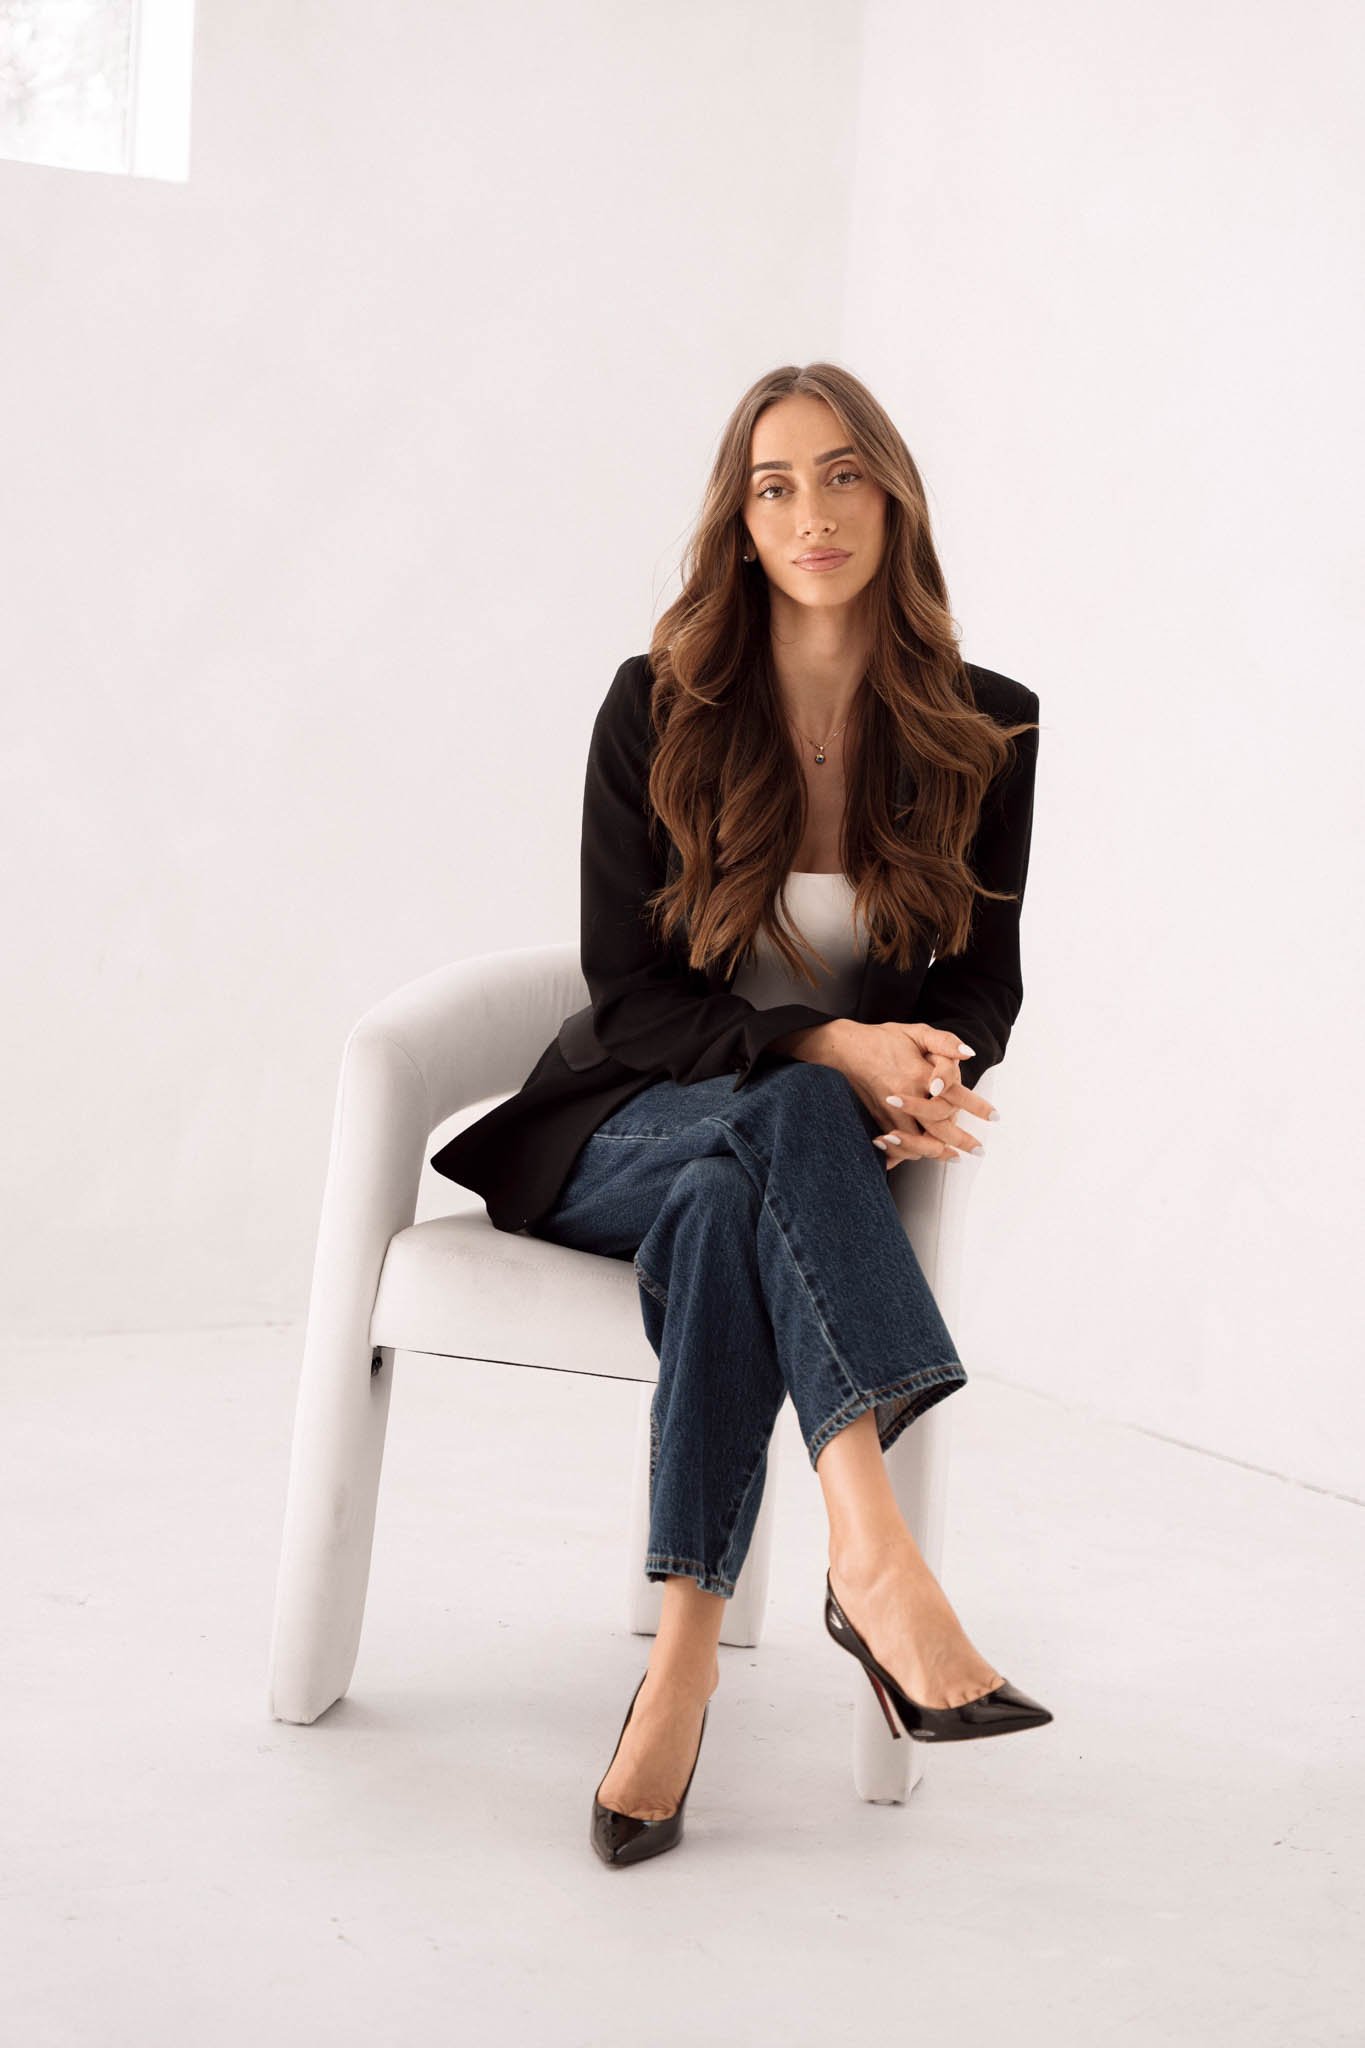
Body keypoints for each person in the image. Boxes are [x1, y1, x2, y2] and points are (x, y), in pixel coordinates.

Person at [430, 362, 1052, 1867]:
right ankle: (876, 1557)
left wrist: (925, 1070)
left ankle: (680, 1665)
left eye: (841, 475)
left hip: (764, 1164)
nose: (810, 511)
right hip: (622, 1127)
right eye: (773, 484)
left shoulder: (990, 725)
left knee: (758, 1171)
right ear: (739, 519)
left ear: (891, 497)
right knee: (781, 1107)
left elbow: (984, 982)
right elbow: (627, 993)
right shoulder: (659, 706)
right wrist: (831, 1042)